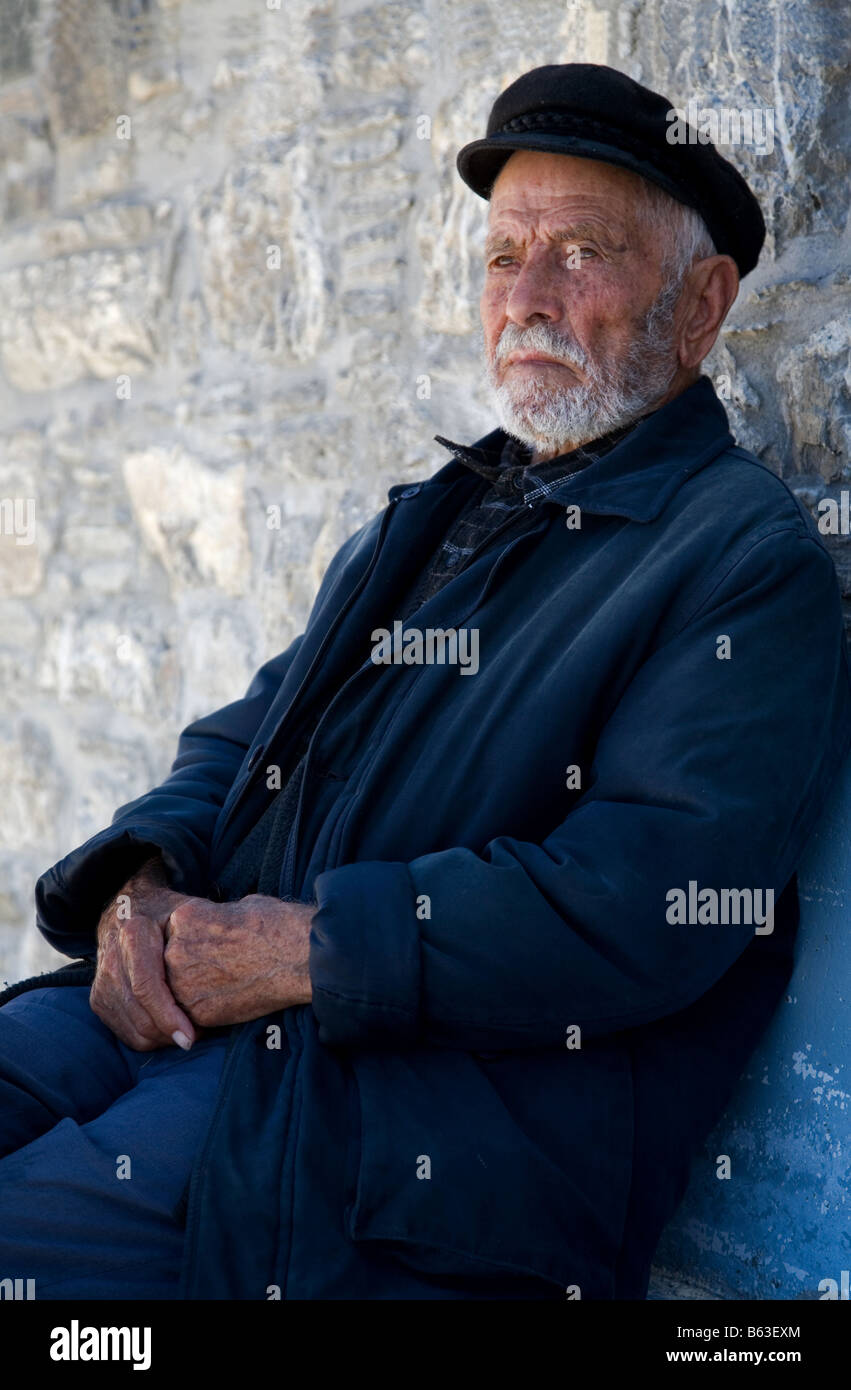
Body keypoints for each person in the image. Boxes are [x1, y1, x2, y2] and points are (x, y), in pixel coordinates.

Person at [1, 62, 848, 1301]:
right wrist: (145, 882)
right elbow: (243, 740)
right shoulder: (439, 515)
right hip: (216, 1019)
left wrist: (312, 951)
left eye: (579, 254)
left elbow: (653, 901)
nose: (527, 298)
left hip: (396, 1121)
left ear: (700, 306)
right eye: (504, 257)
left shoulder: (735, 558)